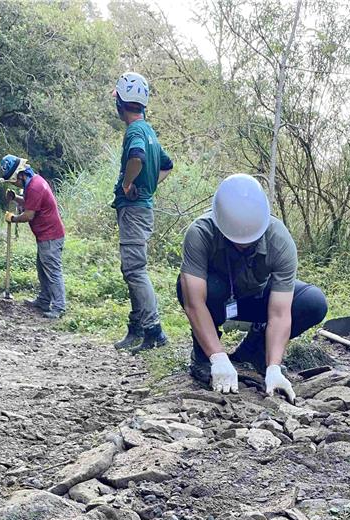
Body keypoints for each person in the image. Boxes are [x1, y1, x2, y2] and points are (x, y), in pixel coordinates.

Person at [177, 174, 328, 401]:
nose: (243, 244)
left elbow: (280, 313)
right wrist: (218, 357)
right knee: (194, 287)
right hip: (217, 300)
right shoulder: (200, 233)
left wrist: (274, 366)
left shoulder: (279, 239)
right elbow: (194, 302)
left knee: (313, 301)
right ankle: (204, 355)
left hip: (257, 298)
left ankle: (255, 351)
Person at [112, 71, 174, 352]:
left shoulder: (135, 131)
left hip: (134, 210)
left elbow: (136, 157)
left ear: (121, 103)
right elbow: (167, 165)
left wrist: (128, 184)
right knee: (131, 268)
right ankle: (136, 328)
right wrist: (149, 185)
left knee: (135, 270)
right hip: (140, 208)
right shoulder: (149, 131)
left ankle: (154, 331)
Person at [0, 155, 66, 319]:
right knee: (42, 269)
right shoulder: (33, 183)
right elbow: (31, 203)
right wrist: (16, 198)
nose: (14, 184)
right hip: (45, 235)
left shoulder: (35, 187)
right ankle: (44, 300)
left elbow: (29, 214)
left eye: (14, 181)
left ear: (21, 175)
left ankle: (59, 307)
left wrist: (13, 218)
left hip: (50, 235)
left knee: (52, 271)